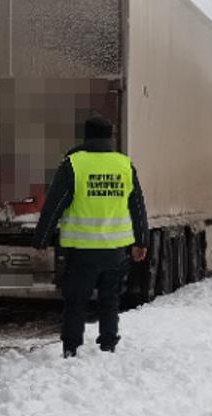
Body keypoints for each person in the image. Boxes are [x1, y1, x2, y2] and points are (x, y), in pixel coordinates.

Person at [32, 116, 148, 357]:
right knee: (110, 300)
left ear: (86, 136)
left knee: (76, 301)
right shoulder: (124, 165)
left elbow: (55, 205)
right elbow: (137, 207)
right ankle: (108, 343)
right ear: (110, 137)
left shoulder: (74, 164)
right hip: (115, 250)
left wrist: (42, 239)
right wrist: (141, 241)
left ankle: (71, 347)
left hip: (81, 250)